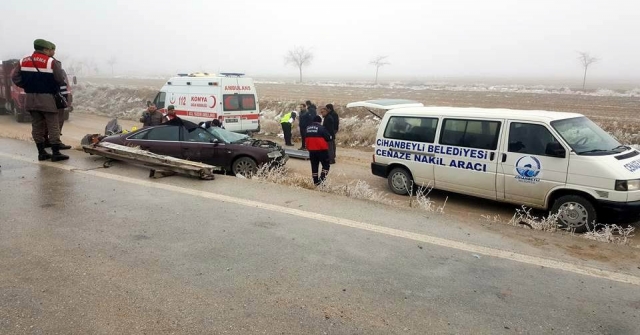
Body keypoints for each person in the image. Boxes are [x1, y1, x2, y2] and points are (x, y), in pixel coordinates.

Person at [12, 39, 68, 161]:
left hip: (30, 98)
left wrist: (27, 86)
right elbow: (59, 78)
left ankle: (41, 152)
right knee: (53, 124)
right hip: (47, 97)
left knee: (36, 125)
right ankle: (56, 152)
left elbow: (15, 77)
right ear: (45, 49)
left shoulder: (23, 61)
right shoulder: (51, 62)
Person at [305, 115, 332, 185]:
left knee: (314, 167)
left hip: (311, 151)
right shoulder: (321, 128)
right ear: (320, 121)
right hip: (321, 150)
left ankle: (315, 182)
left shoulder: (307, 128)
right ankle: (321, 180)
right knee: (326, 165)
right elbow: (328, 138)